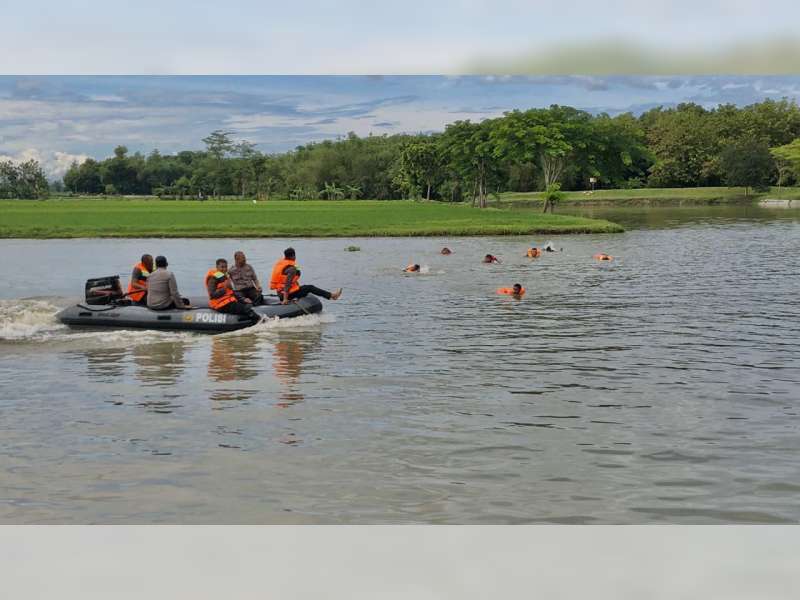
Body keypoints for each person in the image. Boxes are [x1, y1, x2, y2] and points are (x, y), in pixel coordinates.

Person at [270, 247, 342, 305]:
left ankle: (331, 295)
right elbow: (287, 284)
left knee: (304, 287)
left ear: (285, 256)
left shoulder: (281, 264)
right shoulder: (292, 269)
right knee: (310, 287)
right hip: (286, 295)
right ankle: (333, 296)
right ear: (293, 256)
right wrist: (285, 299)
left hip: (280, 293)